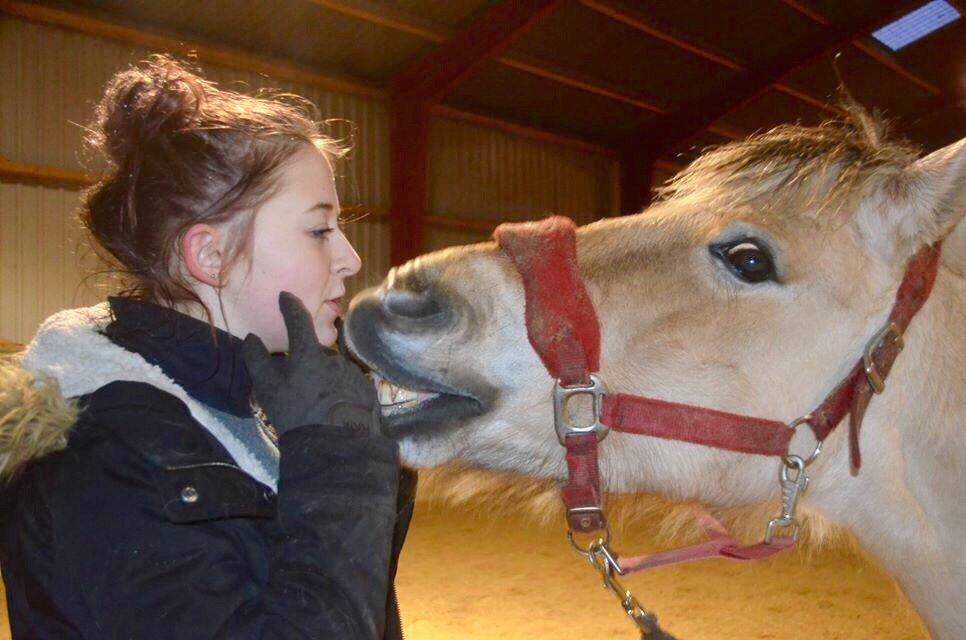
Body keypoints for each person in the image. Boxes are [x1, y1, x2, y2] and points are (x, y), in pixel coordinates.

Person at [0, 56, 414, 639]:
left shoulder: (243, 406)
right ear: (211, 256)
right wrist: (338, 468)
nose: (350, 258)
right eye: (319, 230)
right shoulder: (110, 457)